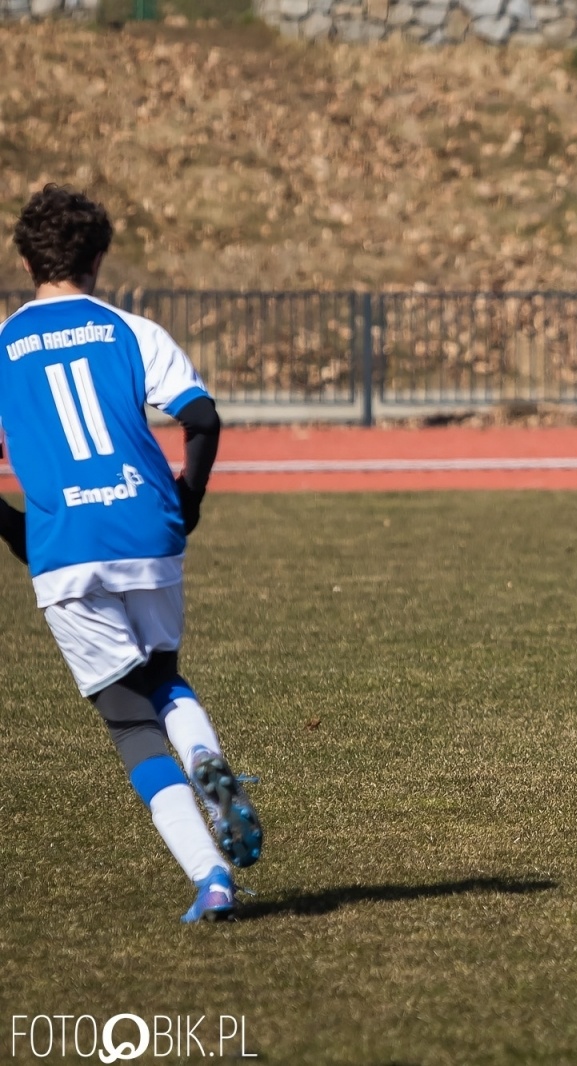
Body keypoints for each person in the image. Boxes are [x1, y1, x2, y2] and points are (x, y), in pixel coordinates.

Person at [0, 185, 263, 922]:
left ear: (25, 261)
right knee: (163, 679)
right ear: (100, 258)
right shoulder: (130, 329)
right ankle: (208, 758)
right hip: (147, 530)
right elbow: (202, 418)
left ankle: (211, 877)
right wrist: (190, 500)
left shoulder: (2, 350)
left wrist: (18, 530)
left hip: (67, 547)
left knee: (127, 720)